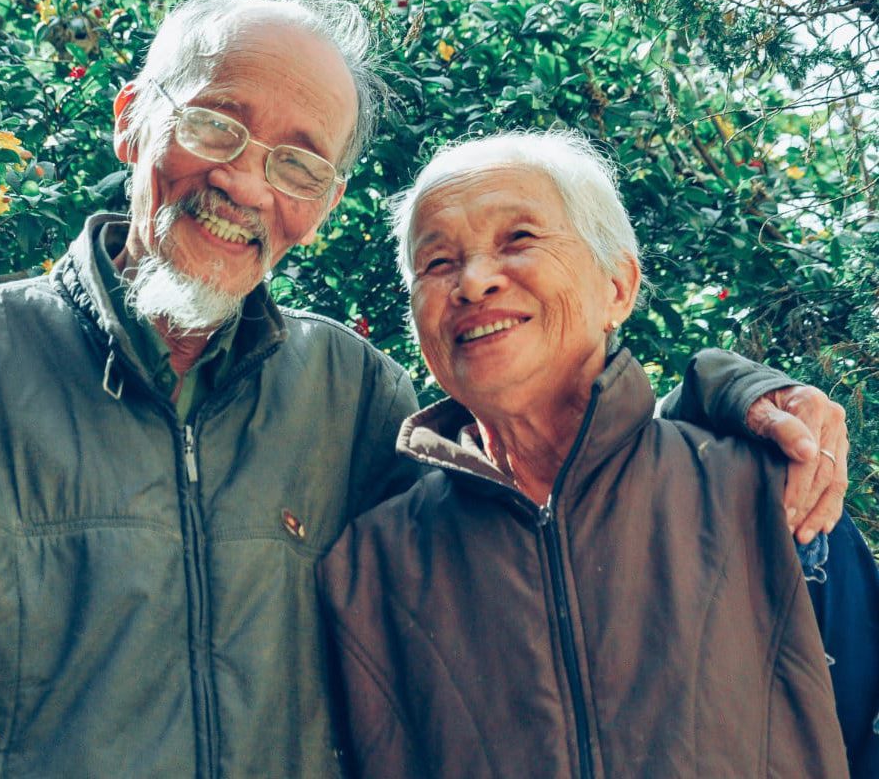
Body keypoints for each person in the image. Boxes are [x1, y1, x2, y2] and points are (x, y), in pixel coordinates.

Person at [0, 0, 852, 778]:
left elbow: (550, 503)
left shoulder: (344, 393)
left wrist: (731, 395)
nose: (246, 183)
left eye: (301, 161)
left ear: (328, 201)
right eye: (216, 123)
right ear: (132, 119)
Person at [317, 129, 879, 778]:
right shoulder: (369, 566)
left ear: (618, 287)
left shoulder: (769, 490)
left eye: (518, 240)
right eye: (437, 263)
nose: (472, 283)